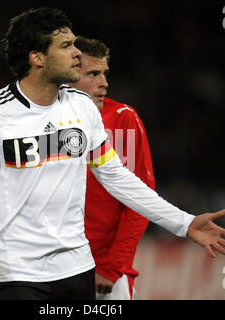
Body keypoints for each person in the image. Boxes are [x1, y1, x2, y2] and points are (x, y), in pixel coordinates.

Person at [0, 7, 225, 300]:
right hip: (17, 274)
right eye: (66, 46)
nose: (77, 52)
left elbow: (116, 177)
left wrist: (184, 222)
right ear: (37, 57)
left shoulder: (81, 107)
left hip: (76, 270)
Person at [70, 36, 154, 300]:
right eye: (93, 74)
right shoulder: (43, 121)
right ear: (69, 74)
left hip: (105, 277)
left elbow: (140, 201)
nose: (104, 82)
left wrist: (112, 266)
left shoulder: (123, 119)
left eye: (104, 73)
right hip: (51, 272)